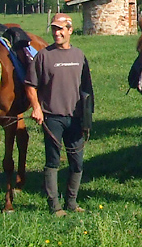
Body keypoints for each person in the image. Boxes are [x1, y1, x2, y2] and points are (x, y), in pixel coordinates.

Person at [25, 13, 94, 216]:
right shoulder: (44, 56)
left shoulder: (79, 56)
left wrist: (88, 116)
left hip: (75, 117)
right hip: (52, 117)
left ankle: (71, 202)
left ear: (70, 30)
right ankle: (54, 205)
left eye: (61, 29)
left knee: (77, 162)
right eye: (55, 29)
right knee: (53, 161)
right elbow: (30, 85)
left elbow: (87, 88)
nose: (57, 33)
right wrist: (36, 108)